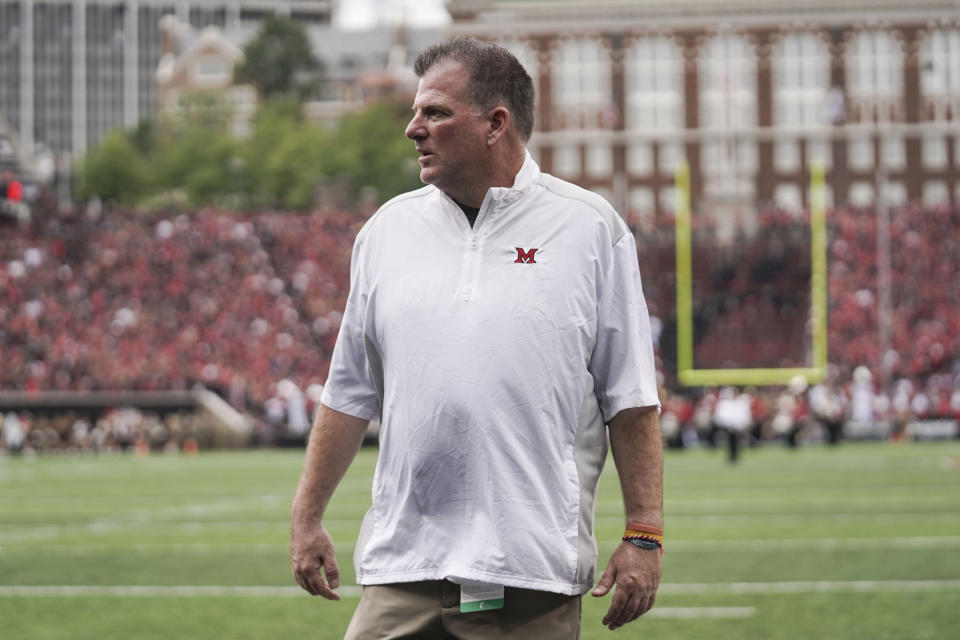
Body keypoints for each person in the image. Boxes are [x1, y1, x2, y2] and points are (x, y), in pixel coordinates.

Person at [290, 37, 663, 638]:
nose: (413, 129)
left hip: (531, 575)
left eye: (435, 113)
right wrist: (306, 517)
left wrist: (644, 533)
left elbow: (632, 398)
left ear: (496, 123)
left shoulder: (590, 229)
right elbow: (348, 393)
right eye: (416, 112)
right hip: (403, 565)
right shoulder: (385, 232)